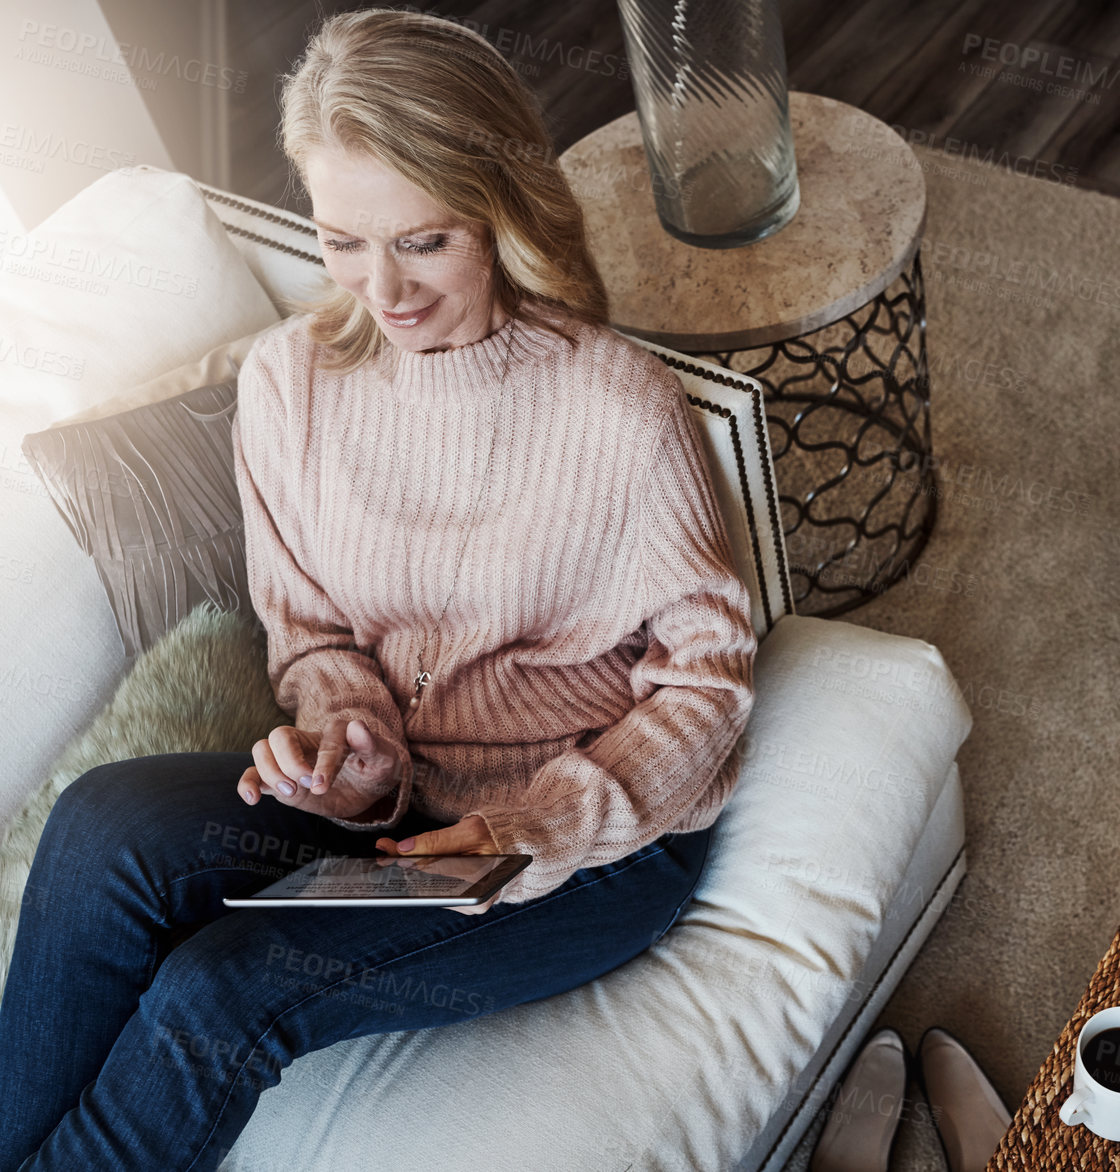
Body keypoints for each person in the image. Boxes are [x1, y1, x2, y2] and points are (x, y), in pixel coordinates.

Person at [0, 9, 756, 1168]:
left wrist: (534, 825)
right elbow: (309, 634)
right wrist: (346, 738)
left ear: (498, 210)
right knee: (102, 816)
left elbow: (708, 677)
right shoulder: (287, 384)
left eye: (423, 241)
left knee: (218, 991)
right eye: (343, 240)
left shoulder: (618, 409)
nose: (382, 290)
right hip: (399, 813)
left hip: (579, 839)